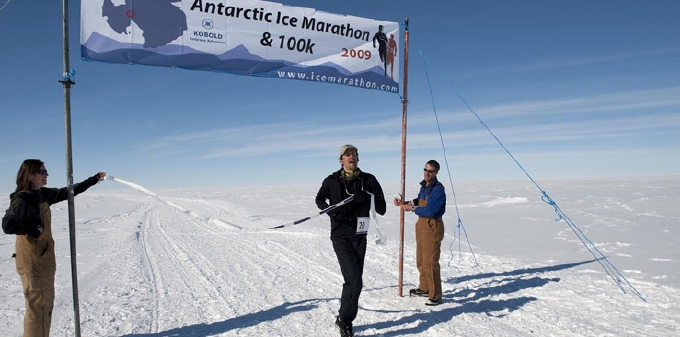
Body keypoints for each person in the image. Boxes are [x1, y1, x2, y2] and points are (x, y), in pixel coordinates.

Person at [2, 159, 106, 337]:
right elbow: (8, 225)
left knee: (45, 305)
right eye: (42, 172)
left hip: (43, 258)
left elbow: (68, 192)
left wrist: (94, 179)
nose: (47, 174)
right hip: (33, 261)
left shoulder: (40, 194)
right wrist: (34, 229)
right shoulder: (23, 198)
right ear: (31, 175)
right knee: (38, 309)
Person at [315, 145, 386, 337]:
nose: (352, 157)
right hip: (340, 235)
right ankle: (345, 321)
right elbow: (319, 199)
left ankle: (343, 317)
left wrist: (369, 196)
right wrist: (330, 210)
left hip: (360, 236)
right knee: (354, 281)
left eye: (354, 154)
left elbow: (382, 208)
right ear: (341, 160)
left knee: (354, 282)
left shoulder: (369, 180)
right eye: (348, 155)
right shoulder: (331, 181)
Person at [394, 160, 445, 306]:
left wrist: (412, 209)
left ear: (436, 173)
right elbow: (420, 200)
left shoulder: (438, 189)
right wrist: (407, 203)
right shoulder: (425, 186)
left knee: (431, 262)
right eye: (425, 170)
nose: (427, 173)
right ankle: (425, 288)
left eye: (430, 171)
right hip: (421, 225)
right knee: (421, 259)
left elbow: (431, 210)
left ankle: (435, 294)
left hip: (432, 225)